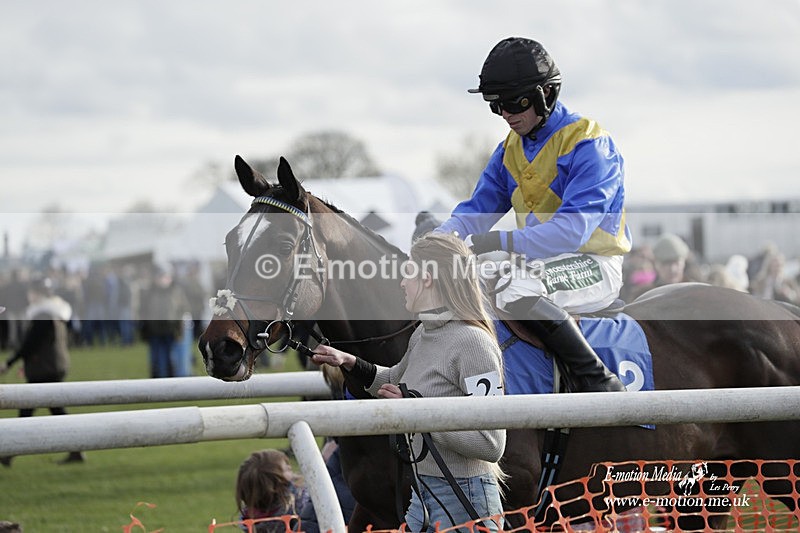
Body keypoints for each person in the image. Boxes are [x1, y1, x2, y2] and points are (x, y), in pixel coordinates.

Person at [436, 37, 629, 393]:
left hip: (593, 262)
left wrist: (497, 241)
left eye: (513, 103)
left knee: (513, 287)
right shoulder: (509, 150)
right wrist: (435, 243)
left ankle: (597, 380)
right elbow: (475, 212)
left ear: (545, 94)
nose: (505, 114)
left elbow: (571, 233)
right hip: (539, 263)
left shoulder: (589, 144)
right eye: (496, 106)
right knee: (467, 280)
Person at [312, 232, 506, 532]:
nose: (402, 283)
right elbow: (393, 380)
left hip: (467, 499)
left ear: (427, 278)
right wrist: (348, 361)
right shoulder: (421, 334)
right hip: (423, 493)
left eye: (408, 274)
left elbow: (491, 443)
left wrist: (417, 413)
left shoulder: (473, 342)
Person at [0, 277, 84, 466]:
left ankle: (8, 452)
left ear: (37, 293)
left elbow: (29, 345)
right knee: (55, 412)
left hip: (45, 369)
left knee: (27, 413)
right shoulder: (57, 310)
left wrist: (10, 362)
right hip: (53, 365)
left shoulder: (43, 314)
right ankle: (76, 449)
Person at [235, 449, 310, 533]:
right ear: (276, 485)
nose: (290, 467)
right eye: (286, 469)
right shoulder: (299, 501)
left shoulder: (251, 518)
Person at [139, 265, 191, 378]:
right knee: (155, 358)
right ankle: (155, 379)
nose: (162, 279)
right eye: (159, 277)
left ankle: (171, 381)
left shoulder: (176, 292)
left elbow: (182, 310)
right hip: (154, 331)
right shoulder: (149, 292)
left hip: (170, 330)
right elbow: (143, 311)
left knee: (171, 358)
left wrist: (179, 329)